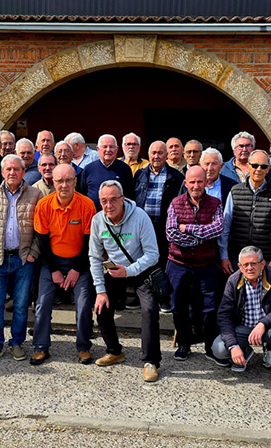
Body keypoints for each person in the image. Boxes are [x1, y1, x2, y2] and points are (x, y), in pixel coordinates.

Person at [218, 149, 271, 369]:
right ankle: (242, 346)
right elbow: (225, 226)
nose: (258, 170)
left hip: (264, 260)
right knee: (240, 303)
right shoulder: (235, 191)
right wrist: (223, 256)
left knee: (267, 303)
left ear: (269, 169)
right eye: (255, 165)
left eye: (263, 166)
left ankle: (269, 348)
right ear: (247, 166)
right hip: (239, 260)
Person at [89, 180, 161, 382]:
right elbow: (94, 257)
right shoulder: (97, 221)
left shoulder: (140, 217)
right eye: (104, 201)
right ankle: (114, 351)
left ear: (122, 199)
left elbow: (153, 254)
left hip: (139, 269)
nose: (109, 206)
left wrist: (129, 271)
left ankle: (151, 361)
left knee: (149, 309)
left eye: (113, 200)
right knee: (101, 307)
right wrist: (100, 291)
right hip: (113, 270)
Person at [0, 154, 41, 363]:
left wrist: (33, 252)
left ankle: (16, 343)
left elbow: (41, 230)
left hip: (23, 259)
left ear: (24, 172)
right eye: (8, 169)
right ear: (2, 172)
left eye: (17, 169)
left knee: (21, 305)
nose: (12, 173)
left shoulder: (35, 194)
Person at [32, 164, 97, 365]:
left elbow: (89, 242)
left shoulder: (87, 205)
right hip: (51, 262)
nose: (64, 185)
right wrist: (54, 271)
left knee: (84, 303)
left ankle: (84, 346)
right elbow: (42, 241)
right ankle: (41, 347)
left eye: (69, 180)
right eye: (60, 181)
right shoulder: (44, 205)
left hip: (80, 262)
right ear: (53, 181)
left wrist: (76, 269)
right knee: (42, 303)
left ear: (75, 182)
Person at [211, 246, 271, 391]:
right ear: (240, 266)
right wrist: (234, 346)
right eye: (245, 265)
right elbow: (224, 315)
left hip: (270, 329)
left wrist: (263, 323)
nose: (249, 268)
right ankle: (244, 352)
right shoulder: (233, 280)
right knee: (218, 348)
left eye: (253, 264)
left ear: (262, 264)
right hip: (244, 330)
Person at [166, 166, 224, 363]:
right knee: (178, 306)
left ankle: (209, 346)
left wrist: (189, 229)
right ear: (186, 183)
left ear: (206, 182)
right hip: (178, 264)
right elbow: (171, 233)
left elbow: (217, 228)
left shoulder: (216, 203)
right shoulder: (175, 203)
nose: (196, 185)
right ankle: (184, 344)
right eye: (192, 182)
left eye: (200, 181)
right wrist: (200, 238)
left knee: (210, 308)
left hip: (206, 265)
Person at [134, 140, 184, 311]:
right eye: (153, 153)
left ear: (166, 155)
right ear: (148, 155)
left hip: (164, 227)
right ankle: (142, 294)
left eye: (160, 153)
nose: (156, 156)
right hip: (142, 227)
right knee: (141, 260)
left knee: (162, 261)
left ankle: (163, 297)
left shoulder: (176, 177)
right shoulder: (139, 175)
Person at [78, 134, 135, 210]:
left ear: (117, 149)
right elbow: (82, 193)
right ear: (98, 149)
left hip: (118, 218)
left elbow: (130, 195)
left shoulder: (125, 169)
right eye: (105, 147)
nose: (108, 150)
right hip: (93, 216)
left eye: (111, 147)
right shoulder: (88, 169)